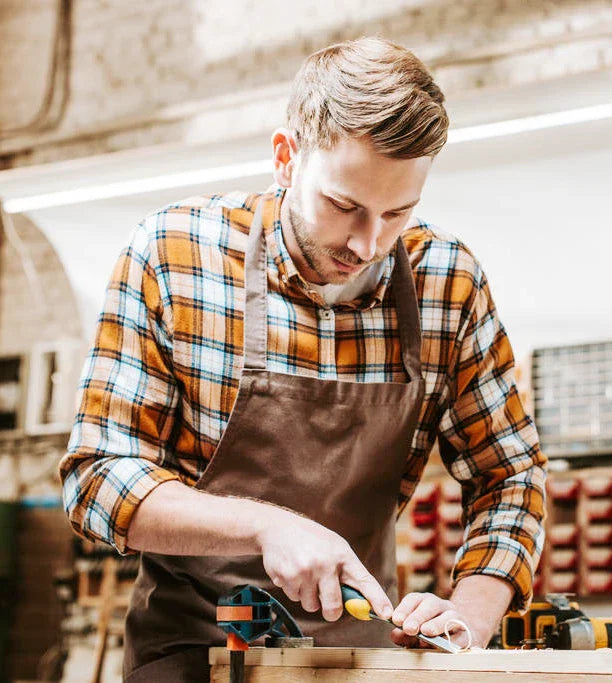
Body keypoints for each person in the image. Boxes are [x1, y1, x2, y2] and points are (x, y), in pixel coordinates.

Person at [59, 36, 546, 681]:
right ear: (286, 158)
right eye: (343, 205)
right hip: (194, 655)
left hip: (363, 659)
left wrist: (472, 614)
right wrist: (265, 529)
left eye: (398, 212)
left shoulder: (445, 283)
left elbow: (510, 476)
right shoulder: (175, 255)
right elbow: (97, 479)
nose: (368, 242)